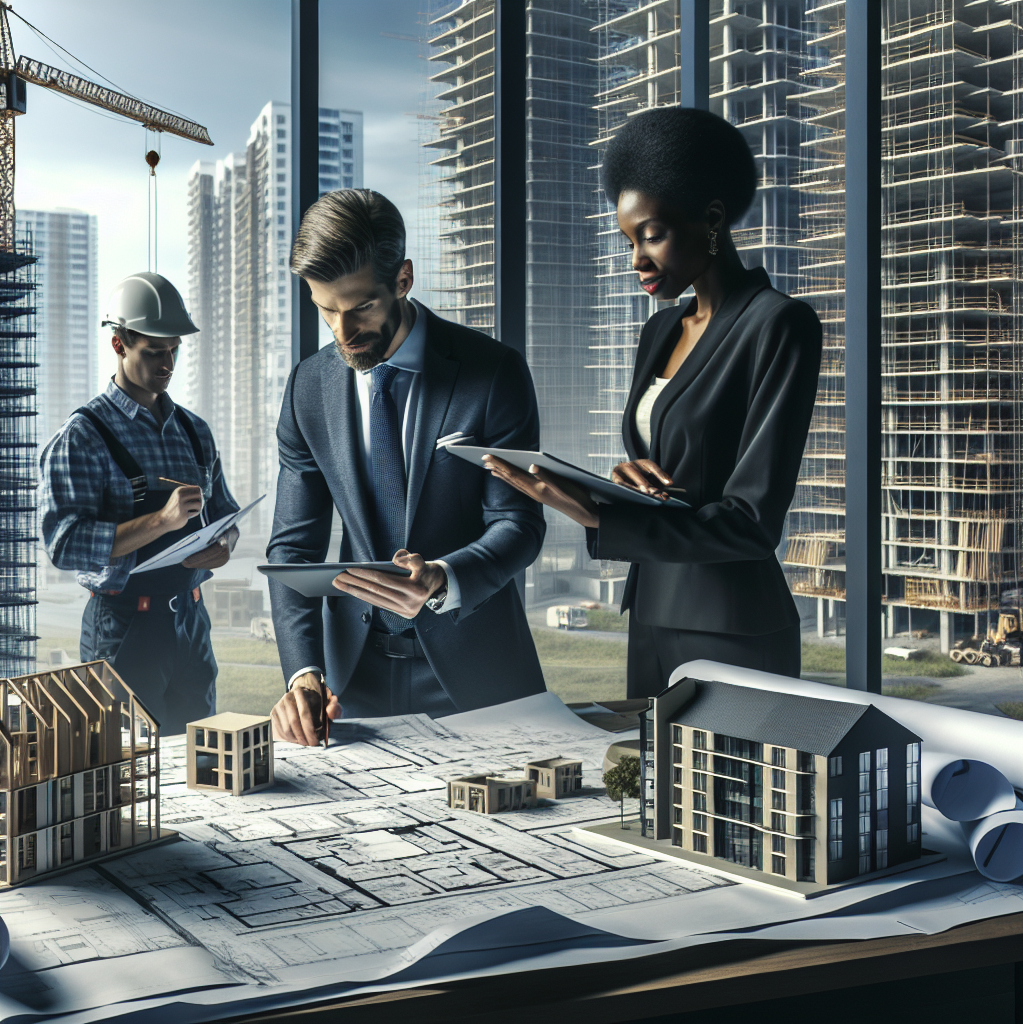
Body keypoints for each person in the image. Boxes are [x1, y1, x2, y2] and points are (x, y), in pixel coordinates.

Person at [486, 108, 822, 697]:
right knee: (650, 785)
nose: (635, 258)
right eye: (627, 240)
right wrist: (624, 484)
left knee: (731, 790)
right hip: (650, 613)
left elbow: (752, 523)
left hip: (733, 626)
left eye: (652, 234)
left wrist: (600, 516)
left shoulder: (780, 324)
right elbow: (674, 472)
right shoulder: (660, 330)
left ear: (712, 219)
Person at [268, 189, 546, 744]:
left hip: (478, 674)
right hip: (351, 680)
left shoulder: (492, 373)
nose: (344, 334)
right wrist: (303, 673)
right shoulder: (309, 387)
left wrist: (444, 578)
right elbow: (292, 549)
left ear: (403, 279)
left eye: (361, 307)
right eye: (326, 310)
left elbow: (519, 525)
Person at [40, 272, 239, 733]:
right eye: (154, 351)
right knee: (125, 772)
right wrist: (161, 521)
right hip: (123, 626)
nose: (167, 363)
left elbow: (225, 512)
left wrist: (224, 542)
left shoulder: (195, 431)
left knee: (200, 764)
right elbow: (64, 544)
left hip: (190, 619)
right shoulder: (82, 438)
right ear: (119, 344)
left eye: (174, 350)